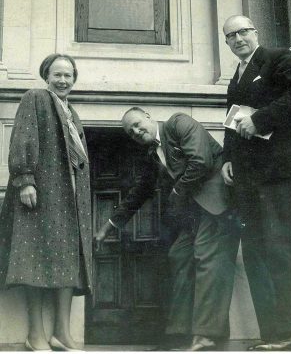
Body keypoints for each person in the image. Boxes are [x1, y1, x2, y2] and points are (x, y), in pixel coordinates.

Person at [95, 107, 239, 351]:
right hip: (195, 213)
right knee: (178, 255)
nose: (137, 132)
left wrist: (177, 191)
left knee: (207, 258)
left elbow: (201, 161)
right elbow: (139, 192)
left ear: (150, 117)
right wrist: (109, 226)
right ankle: (179, 334)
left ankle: (207, 335)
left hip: (218, 205)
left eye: (139, 125)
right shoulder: (152, 155)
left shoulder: (178, 123)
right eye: (131, 132)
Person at [221, 15, 291, 351]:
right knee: (257, 252)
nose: (238, 38)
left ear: (255, 32)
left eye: (243, 31)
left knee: (282, 250)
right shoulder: (236, 76)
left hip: (279, 175)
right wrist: (228, 158)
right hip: (248, 178)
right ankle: (273, 335)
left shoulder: (277, 58)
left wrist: (259, 119)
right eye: (231, 35)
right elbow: (233, 120)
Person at [0, 54, 92, 351]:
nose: (63, 80)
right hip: (41, 194)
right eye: (57, 74)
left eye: (68, 75)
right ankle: (35, 335)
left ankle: (61, 334)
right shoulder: (36, 98)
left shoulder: (71, 112)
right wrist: (25, 179)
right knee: (34, 260)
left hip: (70, 198)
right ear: (46, 76)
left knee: (69, 261)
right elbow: (22, 139)